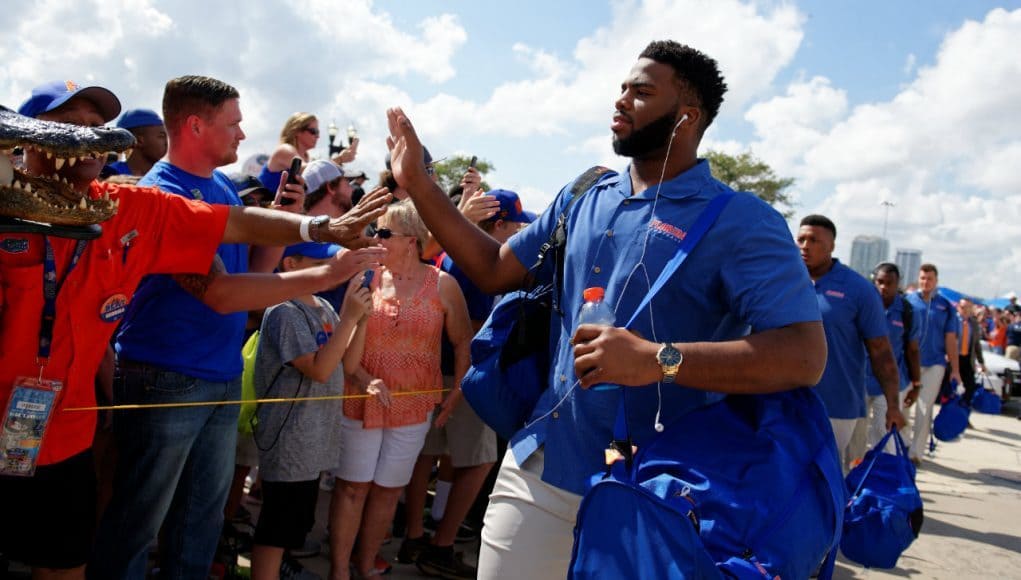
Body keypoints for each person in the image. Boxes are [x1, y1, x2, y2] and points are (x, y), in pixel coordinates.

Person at [386, 40, 830, 579]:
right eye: (622, 88)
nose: (621, 100)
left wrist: (659, 359)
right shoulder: (585, 194)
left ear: (686, 116)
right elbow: (494, 268)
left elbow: (804, 355)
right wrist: (419, 183)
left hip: (660, 493)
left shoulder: (744, 222)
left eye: (642, 92)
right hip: (541, 469)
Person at [0, 80, 387, 580]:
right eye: (71, 126)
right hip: (163, 378)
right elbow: (220, 292)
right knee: (138, 522)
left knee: (92, 554)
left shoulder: (127, 205)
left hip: (70, 430)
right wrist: (326, 268)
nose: (90, 140)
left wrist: (314, 228)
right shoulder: (25, 212)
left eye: (97, 127)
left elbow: (240, 227)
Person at [328, 200, 473, 580]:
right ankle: (341, 569)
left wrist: (456, 392)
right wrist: (363, 379)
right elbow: (342, 342)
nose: (375, 239)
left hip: (414, 403)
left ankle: (366, 563)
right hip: (360, 397)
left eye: (383, 233)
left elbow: (462, 342)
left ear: (411, 240)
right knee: (351, 489)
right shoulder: (365, 278)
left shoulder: (443, 284)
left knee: (389, 491)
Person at [401, 190, 533, 579]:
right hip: (460, 372)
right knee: (480, 460)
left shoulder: (457, 253)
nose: (517, 234)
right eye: (513, 226)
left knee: (428, 454)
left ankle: (412, 536)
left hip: (433, 369)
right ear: (496, 225)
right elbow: (468, 326)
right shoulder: (478, 260)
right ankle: (440, 545)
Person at [250, 243, 372, 580]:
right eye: (319, 263)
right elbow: (318, 369)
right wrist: (349, 317)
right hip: (290, 439)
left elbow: (347, 364)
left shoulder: (323, 307)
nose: (327, 269)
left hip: (314, 438)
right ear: (291, 263)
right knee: (275, 529)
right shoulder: (283, 311)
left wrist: (360, 321)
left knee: (293, 524)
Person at [796, 215, 905, 470]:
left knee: (822, 477)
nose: (805, 245)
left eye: (813, 240)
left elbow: (881, 353)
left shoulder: (858, 290)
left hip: (835, 406)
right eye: (800, 239)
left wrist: (892, 405)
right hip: (784, 399)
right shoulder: (784, 279)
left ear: (832, 246)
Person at [905, 263, 961, 464]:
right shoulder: (908, 301)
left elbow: (951, 338)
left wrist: (955, 369)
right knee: (903, 404)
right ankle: (902, 444)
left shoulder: (945, 306)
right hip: (909, 363)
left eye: (929, 279)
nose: (925, 282)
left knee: (924, 406)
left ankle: (915, 453)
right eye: (922, 278)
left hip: (934, 363)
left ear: (936, 281)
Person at [864, 263, 921, 451]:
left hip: (889, 383)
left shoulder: (907, 312)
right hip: (860, 380)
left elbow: (912, 350)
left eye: (889, 283)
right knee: (856, 435)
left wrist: (916, 385)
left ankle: (886, 475)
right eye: (880, 282)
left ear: (898, 284)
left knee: (884, 431)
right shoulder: (862, 304)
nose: (883, 287)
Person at [259, 112, 358, 194]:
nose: (317, 136)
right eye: (313, 131)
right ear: (297, 131)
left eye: (318, 132)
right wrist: (340, 159)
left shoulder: (306, 157)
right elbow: (312, 171)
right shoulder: (284, 150)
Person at [105, 108, 168, 177]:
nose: (166, 142)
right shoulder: (106, 176)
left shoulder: (170, 178)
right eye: (161, 136)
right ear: (138, 140)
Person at [956, 298, 987, 404]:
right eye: (963, 307)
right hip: (953, 359)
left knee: (969, 388)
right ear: (958, 307)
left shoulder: (973, 324)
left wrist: (981, 362)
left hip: (967, 359)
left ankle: (963, 414)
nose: (965, 310)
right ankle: (949, 415)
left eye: (968, 308)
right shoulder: (953, 321)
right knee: (951, 389)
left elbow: (977, 345)